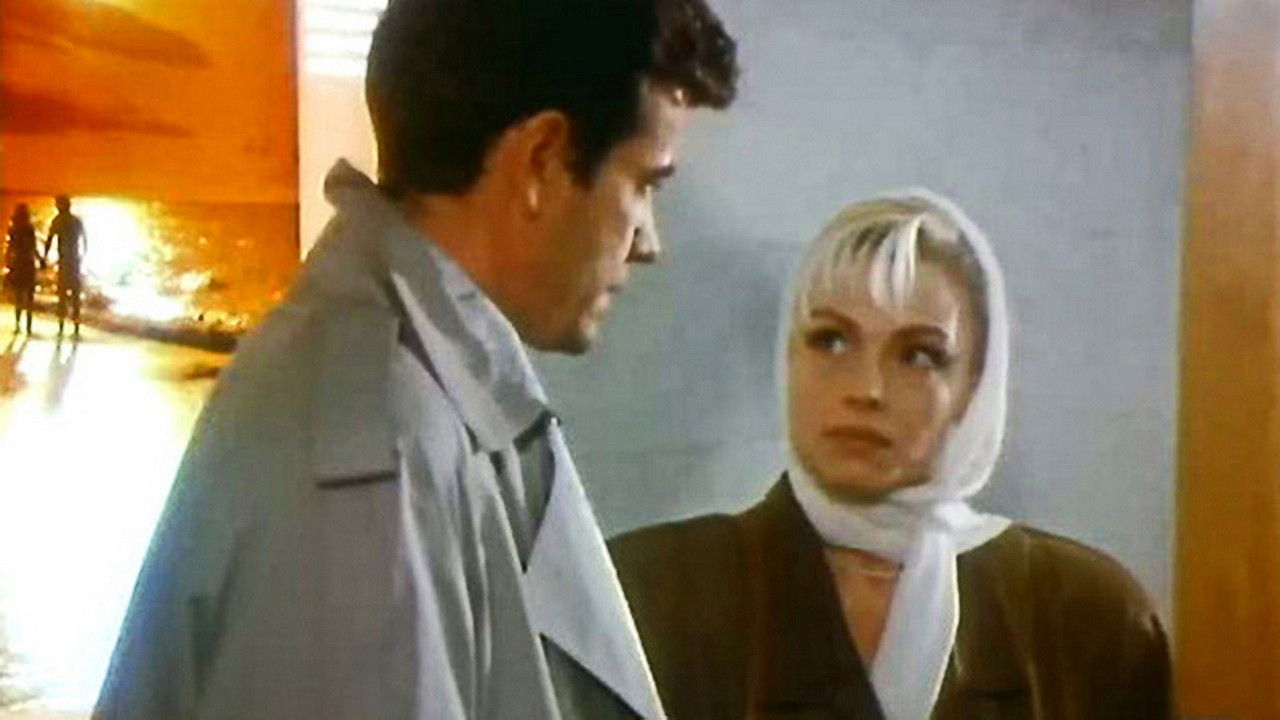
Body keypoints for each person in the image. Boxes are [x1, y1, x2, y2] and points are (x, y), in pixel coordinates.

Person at [94, 0, 737, 718]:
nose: (650, 242)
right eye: (644, 184)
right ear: (541, 160)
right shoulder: (379, 454)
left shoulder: (403, 393)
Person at [610, 192, 1173, 720]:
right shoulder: (648, 594)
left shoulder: (1087, 617)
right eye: (831, 340)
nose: (867, 389)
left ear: (973, 387)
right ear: (789, 358)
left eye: (919, 356)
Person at [43, 194, 86, 336]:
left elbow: (50, 239)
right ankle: (76, 325)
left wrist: (44, 257)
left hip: (63, 260)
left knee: (62, 293)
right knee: (75, 293)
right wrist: (82, 256)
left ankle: (61, 327)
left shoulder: (57, 220)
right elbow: (84, 239)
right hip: (75, 260)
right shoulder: (76, 221)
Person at [5, 204, 39, 334]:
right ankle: (29, 326)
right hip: (28, 262)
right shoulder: (30, 228)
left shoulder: (13, 229)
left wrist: (7, 261)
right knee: (30, 296)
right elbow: (33, 247)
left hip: (18, 263)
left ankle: (18, 325)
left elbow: (10, 247)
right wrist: (41, 259)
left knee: (18, 295)